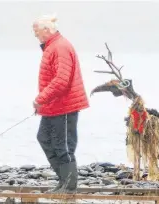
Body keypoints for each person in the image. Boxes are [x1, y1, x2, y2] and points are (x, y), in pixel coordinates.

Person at [32, 14, 89, 194]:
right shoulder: (52, 46)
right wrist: (43, 103)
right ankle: (63, 181)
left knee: (63, 146)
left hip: (64, 106)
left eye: (37, 32)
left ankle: (69, 187)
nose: (35, 36)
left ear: (47, 30)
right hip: (52, 106)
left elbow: (61, 81)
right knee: (44, 138)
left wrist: (40, 99)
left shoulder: (60, 47)